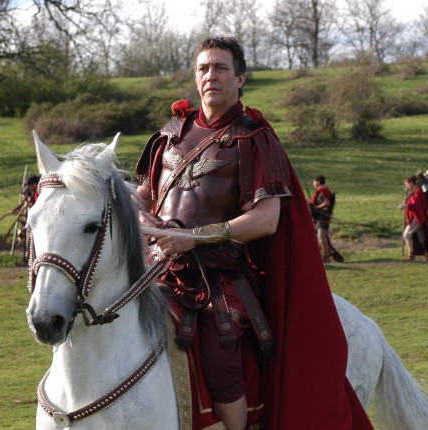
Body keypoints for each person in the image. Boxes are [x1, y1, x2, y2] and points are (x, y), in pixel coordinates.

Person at [135, 37, 372, 430]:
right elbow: (145, 194)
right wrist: (133, 209)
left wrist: (194, 238)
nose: (211, 76)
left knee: (218, 354)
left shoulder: (255, 138)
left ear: (240, 78)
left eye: (221, 68)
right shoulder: (170, 133)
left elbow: (266, 220)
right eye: (203, 68)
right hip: (158, 267)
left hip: (221, 276)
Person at [309, 174, 343, 263]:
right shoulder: (322, 191)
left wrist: (316, 207)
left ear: (318, 182)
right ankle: (323, 256)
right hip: (320, 217)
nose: (313, 184)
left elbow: (327, 203)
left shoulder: (323, 190)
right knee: (319, 238)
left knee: (321, 238)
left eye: (314, 182)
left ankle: (326, 256)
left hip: (323, 217)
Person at [398, 175, 428, 261]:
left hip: (417, 217)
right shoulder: (413, 192)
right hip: (417, 217)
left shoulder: (418, 192)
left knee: (406, 235)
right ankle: (426, 254)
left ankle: (411, 255)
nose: (406, 186)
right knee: (421, 237)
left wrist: (405, 206)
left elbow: (416, 205)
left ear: (411, 183)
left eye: (407, 184)